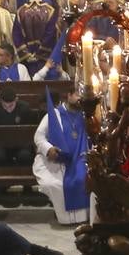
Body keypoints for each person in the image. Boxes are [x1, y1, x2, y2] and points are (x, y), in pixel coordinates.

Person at [34, 87, 89, 225]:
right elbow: (38, 136)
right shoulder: (54, 115)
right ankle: (66, 218)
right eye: (77, 95)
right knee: (56, 184)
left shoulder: (86, 116)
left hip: (80, 159)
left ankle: (83, 218)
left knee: (84, 179)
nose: (79, 99)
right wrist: (49, 149)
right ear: (69, 95)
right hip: (56, 162)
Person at [11, 0, 60, 76]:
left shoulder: (21, 11)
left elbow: (16, 35)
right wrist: (39, 53)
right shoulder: (50, 10)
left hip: (27, 60)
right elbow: (50, 34)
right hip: (44, 59)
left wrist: (26, 54)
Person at [0, 85, 34, 166]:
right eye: (5, 106)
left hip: (22, 143)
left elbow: (30, 131)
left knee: (24, 156)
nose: (8, 109)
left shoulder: (25, 109)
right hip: (2, 143)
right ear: (1, 101)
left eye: (11, 105)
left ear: (16, 99)